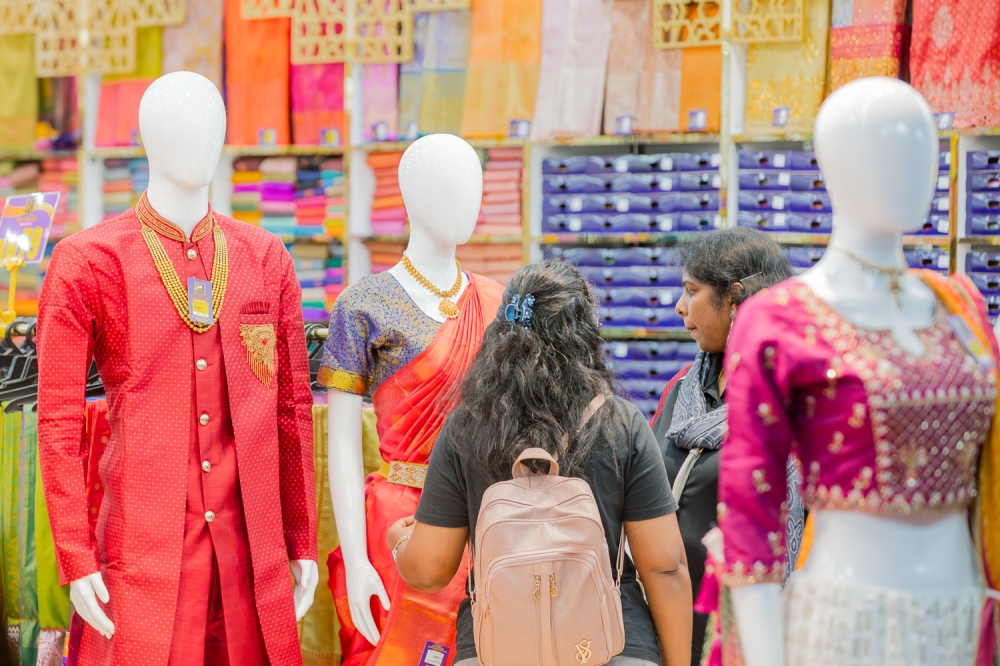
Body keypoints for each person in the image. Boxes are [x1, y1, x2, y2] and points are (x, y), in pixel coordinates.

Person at [388, 260, 693, 666]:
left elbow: (429, 570)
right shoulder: (620, 422)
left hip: (495, 648)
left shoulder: (465, 427)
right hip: (611, 645)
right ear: (585, 333)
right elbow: (665, 567)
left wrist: (399, 541)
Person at [648, 227, 800, 666]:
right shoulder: (682, 388)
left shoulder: (784, 401)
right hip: (664, 617)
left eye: (692, 292)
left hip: (742, 626)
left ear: (734, 300)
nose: (679, 307)